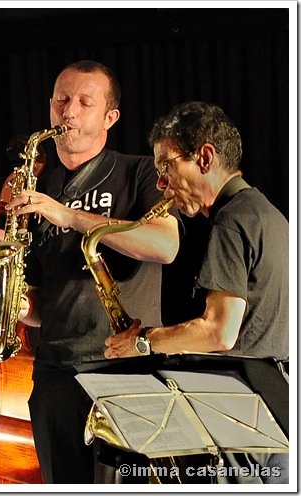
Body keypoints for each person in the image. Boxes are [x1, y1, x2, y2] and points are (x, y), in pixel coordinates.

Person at [0, 60, 180, 483]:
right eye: (61, 100)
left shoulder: (139, 171)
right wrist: (6, 295)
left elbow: (165, 245)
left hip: (124, 370)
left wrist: (68, 215)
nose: (68, 111)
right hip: (55, 372)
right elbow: (40, 306)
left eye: (84, 102)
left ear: (110, 117)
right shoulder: (38, 189)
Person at [104, 102, 288, 483]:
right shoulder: (269, 215)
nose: (160, 185)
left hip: (246, 417)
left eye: (165, 167)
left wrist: (142, 342)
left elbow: (219, 332)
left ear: (204, 156)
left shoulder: (233, 220)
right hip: (277, 409)